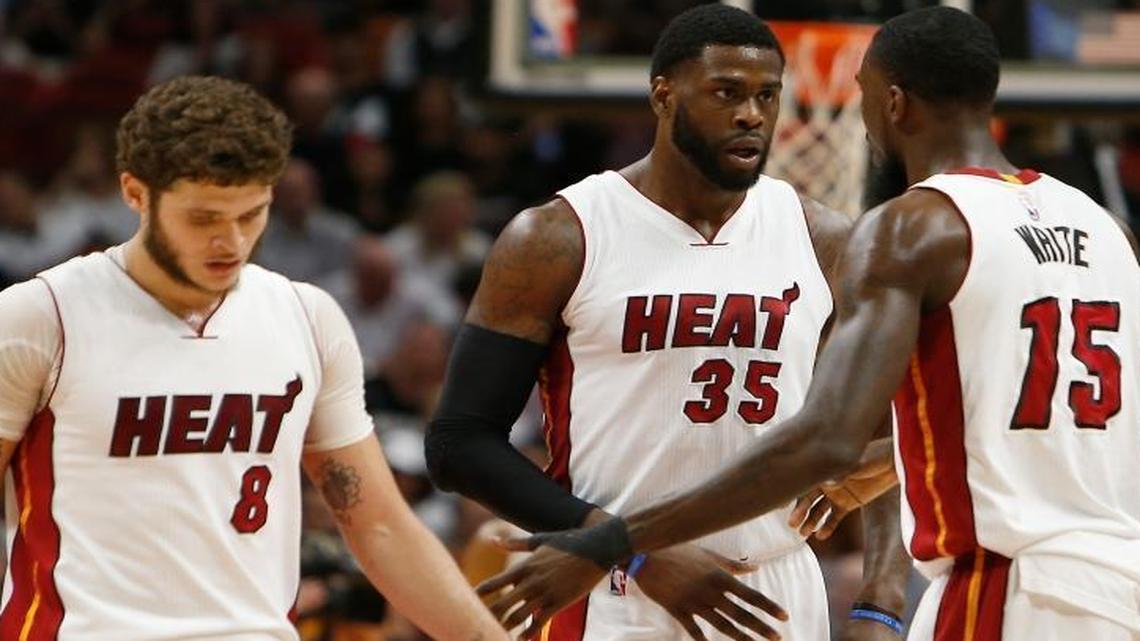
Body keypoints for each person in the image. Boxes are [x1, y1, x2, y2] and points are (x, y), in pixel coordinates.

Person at [477, 7, 1140, 641]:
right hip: (1115, 582)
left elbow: (825, 438)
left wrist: (618, 540)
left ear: (893, 103)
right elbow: (1026, 422)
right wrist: (890, 463)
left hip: (1007, 585)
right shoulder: (1105, 230)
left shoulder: (915, 226)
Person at [426, 5, 909, 641]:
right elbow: (459, 443)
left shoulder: (825, 239)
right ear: (663, 95)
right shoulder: (559, 236)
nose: (752, 115)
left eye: (767, 95)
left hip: (776, 586)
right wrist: (632, 550)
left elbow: (888, 431)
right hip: (612, 586)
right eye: (726, 93)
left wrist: (880, 597)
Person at [0, 75, 506, 641]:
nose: (232, 242)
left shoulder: (305, 317)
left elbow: (380, 525)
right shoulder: (39, 317)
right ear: (135, 193)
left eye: (251, 214)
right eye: (204, 218)